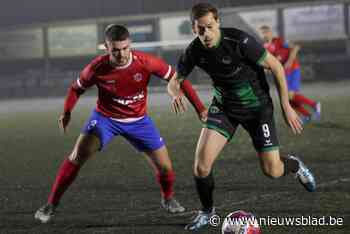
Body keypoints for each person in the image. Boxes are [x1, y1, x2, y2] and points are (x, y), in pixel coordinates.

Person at [34, 24, 205, 223]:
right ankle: (50, 205)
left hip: (139, 121)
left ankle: (168, 199)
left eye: (125, 48)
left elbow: (178, 78)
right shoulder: (97, 67)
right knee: (76, 157)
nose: (122, 53)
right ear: (106, 48)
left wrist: (200, 108)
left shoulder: (146, 62)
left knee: (166, 168)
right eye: (115, 50)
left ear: (129, 44)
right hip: (105, 119)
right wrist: (66, 111)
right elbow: (76, 89)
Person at [168, 3, 316, 231]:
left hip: (257, 109)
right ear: (193, 28)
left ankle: (294, 165)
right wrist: (174, 91)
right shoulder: (193, 51)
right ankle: (207, 212)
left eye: (209, 27)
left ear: (218, 22)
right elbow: (174, 81)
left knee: (272, 171)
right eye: (200, 29)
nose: (205, 34)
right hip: (224, 108)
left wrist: (285, 105)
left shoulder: (239, 42)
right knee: (201, 167)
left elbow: (276, 67)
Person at [259, 25, 321, 123]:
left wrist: (290, 61)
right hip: (283, 73)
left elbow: (296, 47)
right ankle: (307, 115)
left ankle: (314, 104)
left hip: (292, 70)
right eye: (262, 33)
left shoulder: (279, 41)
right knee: (288, 99)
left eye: (266, 32)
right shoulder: (264, 47)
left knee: (290, 95)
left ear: (270, 33)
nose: (265, 35)